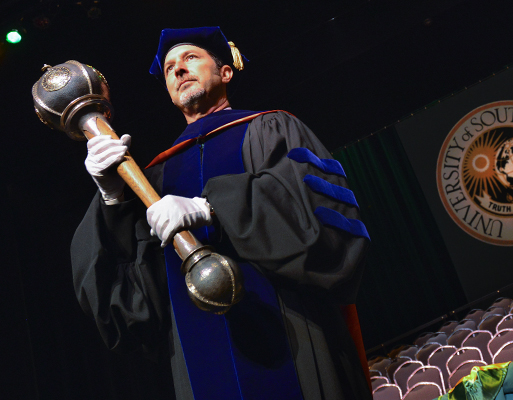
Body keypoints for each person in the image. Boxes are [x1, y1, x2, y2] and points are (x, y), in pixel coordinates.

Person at [72, 26, 371, 400]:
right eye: (169, 69)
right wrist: (112, 199)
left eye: (190, 58)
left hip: (294, 332)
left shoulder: (270, 128)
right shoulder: (155, 177)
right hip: (201, 363)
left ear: (226, 72)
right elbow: (127, 303)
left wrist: (210, 208)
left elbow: (318, 213)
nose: (178, 70)